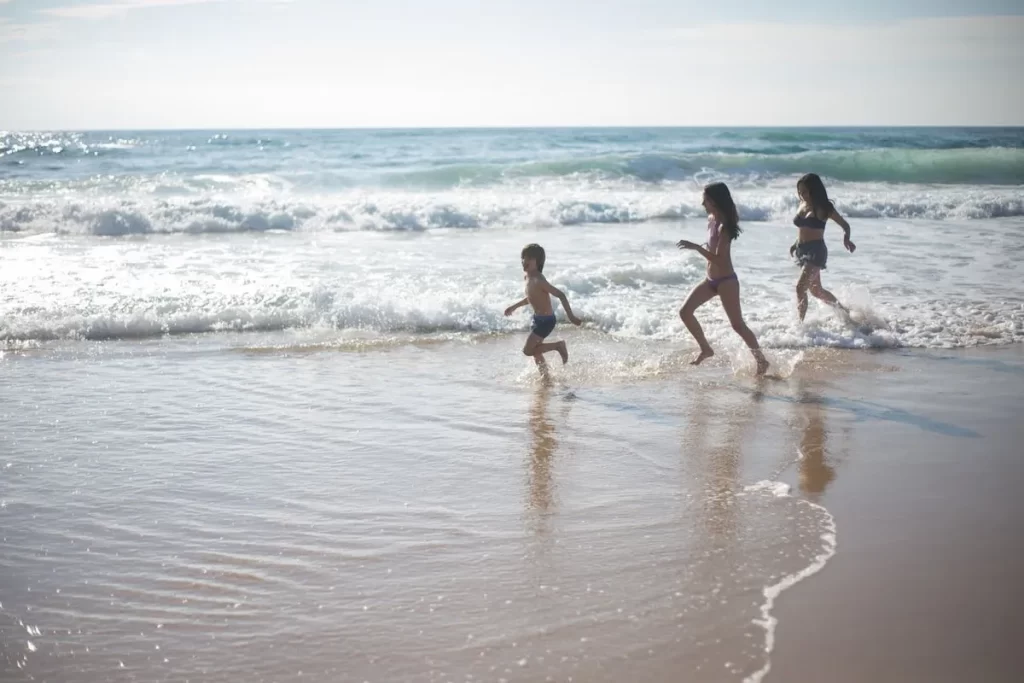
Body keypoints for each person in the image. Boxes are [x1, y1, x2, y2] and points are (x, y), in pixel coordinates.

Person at [677, 182, 769, 375]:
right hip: (710, 281)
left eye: (707, 200)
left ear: (716, 201)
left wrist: (697, 248)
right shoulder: (711, 219)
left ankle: (762, 361)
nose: (703, 203)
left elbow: (719, 259)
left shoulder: (724, 227)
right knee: (685, 312)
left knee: (738, 325)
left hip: (726, 281)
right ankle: (706, 349)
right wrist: (703, 247)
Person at [504, 243, 582, 375]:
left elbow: (560, 294)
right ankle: (545, 376)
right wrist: (514, 307)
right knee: (536, 352)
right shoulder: (527, 277)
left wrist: (571, 317)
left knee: (528, 350)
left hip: (546, 321)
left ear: (538, 262)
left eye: (529, 258)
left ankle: (558, 345)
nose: (524, 261)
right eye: (523, 258)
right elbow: (530, 298)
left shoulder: (539, 279)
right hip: (537, 319)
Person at [791, 173, 856, 321]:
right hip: (802, 251)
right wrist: (795, 244)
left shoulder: (823, 208)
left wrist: (847, 238)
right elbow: (803, 229)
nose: (802, 195)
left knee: (800, 288)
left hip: (816, 252)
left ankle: (800, 326)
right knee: (816, 291)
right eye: (800, 192)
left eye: (805, 192)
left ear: (814, 190)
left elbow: (845, 225)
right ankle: (845, 313)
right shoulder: (802, 204)